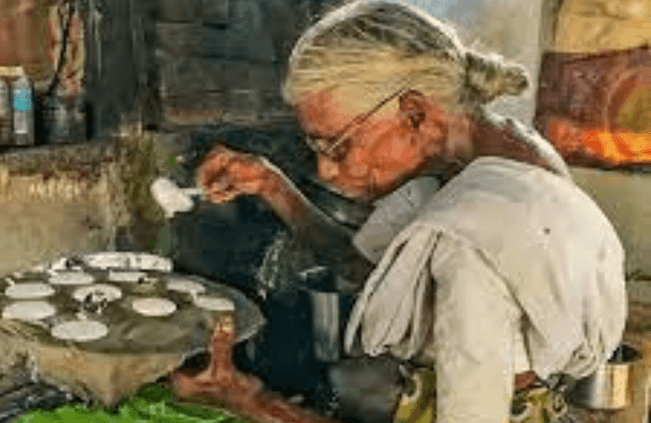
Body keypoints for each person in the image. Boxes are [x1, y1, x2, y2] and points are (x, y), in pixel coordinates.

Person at [195, 0, 627, 421]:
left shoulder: (475, 242)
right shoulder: (492, 151)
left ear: (414, 113)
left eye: (338, 146)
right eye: (317, 146)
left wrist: (252, 402)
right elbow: (369, 270)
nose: (326, 170)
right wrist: (271, 185)